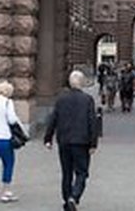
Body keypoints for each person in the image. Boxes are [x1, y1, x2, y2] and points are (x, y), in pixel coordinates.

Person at [43, 70, 98, 211]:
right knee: (81, 172)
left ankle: (67, 199)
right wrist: (93, 143)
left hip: (64, 140)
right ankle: (74, 196)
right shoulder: (87, 100)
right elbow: (92, 122)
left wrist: (48, 138)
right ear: (83, 83)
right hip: (82, 141)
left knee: (66, 172)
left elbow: (53, 119)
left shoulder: (61, 99)